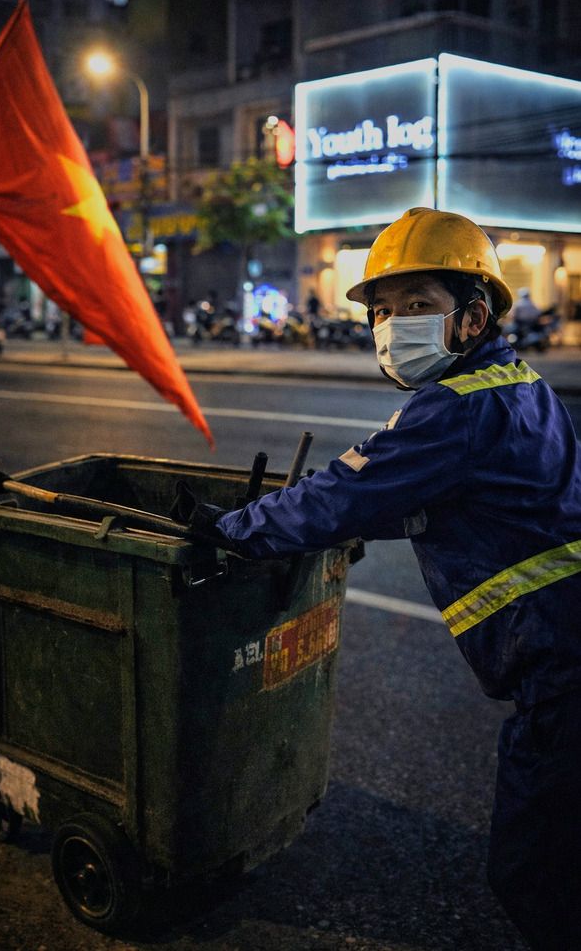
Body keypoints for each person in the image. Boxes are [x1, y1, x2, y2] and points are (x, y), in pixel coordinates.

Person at [190, 207, 581, 950]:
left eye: (416, 307)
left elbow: (347, 489)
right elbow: (475, 501)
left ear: (470, 317)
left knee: (534, 874)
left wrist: (229, 530)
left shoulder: (454, 408)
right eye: (381, 310)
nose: (390, 324)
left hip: (563, 669)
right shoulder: (519, 385)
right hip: (563, 655)